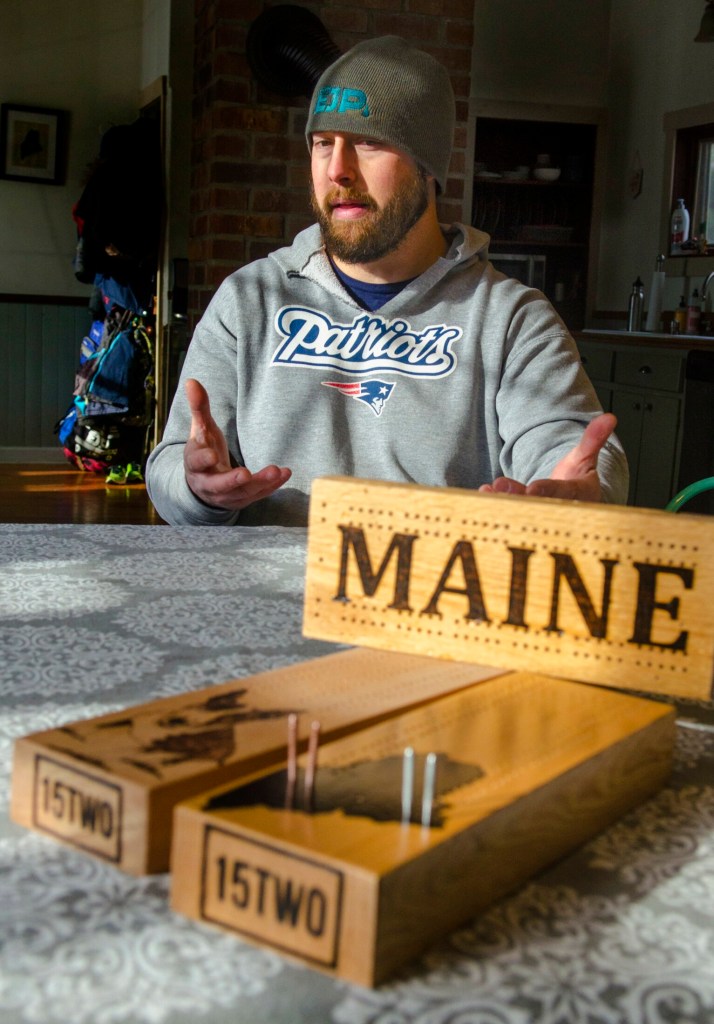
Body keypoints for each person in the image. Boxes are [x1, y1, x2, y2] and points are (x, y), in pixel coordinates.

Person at [146, 36, 628, 527]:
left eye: (369, 143)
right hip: (269, 592)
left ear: (428, 168)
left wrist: (576, 493)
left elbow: (569, 449)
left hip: (428, 595)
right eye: (322, 144)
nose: (338, 170)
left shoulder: (509, 317)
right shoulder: (249, 300)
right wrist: (197, 489)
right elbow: (171, 467)